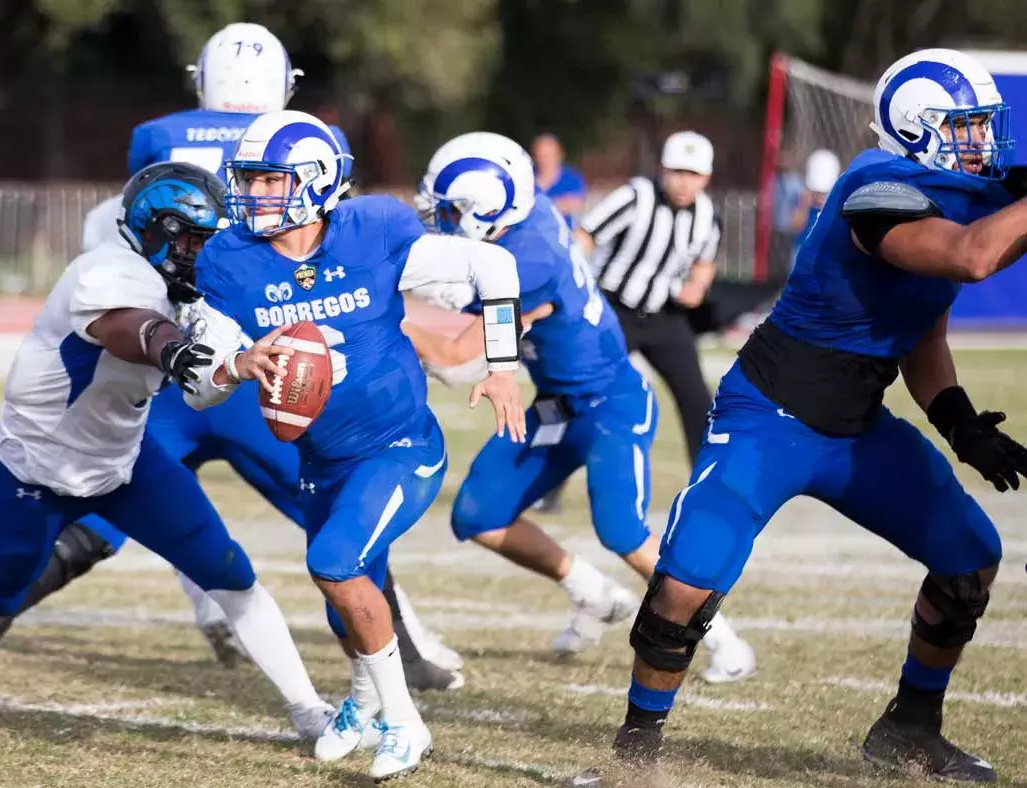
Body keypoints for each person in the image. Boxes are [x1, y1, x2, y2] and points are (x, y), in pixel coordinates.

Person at [0, 22, 465, 693]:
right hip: (260, 370)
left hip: (170, 380)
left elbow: (110, 261)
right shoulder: (305, 157)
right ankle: (397, 658)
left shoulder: (153, 157)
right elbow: (329, 267)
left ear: (201, 80)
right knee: (339, 512)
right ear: (284, 84)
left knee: (92, 515)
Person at [608, 48, 1027, 783]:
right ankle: (634, 751)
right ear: (918, 129)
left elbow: (922, 330)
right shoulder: (875, 187)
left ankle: (909, 729)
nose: (982, 141)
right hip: (771, 414)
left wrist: (958, 421)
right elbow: (971, 258)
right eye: (964, 127)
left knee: (969, 558)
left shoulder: (959, 193)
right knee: (686, 580)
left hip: (856, 425)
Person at [0, 162, 336, 740]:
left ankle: (309, 712)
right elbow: (129, 329)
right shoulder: (106, 270)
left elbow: (204, 388)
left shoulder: (195, 301)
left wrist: (239, 365)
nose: (202, 254)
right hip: (36, 465)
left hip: (124, 462)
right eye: (192, 239)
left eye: (209, 240)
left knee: (230, 574)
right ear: (154, 230)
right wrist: (177, 350)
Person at [196, 109, 526, 780]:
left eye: (269, 181)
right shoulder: (226, 262)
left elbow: (492, 263)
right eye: (249, 181)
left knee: (335, 562)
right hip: (320, 457)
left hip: (401, 445)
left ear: (316, 183)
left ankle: (403, 722)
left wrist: (500, 366)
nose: (252, 195)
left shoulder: (374, 230)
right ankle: (364, 697)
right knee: (344, 590)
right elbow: (201, 387)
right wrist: (237, 365)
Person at [403, 131, 754, 680]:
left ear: (489, 206)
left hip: (609, 402)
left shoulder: (527, 260)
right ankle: (589, 591)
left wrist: (387, 322)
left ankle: (723, 638)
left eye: (450, 211)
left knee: (621, 529)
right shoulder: (529, 217)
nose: (441, 221)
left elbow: (453, 361)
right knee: (478, 515)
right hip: (557, 403)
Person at [575, 131, 721, 466]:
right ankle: (547, 487)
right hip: (613, 311)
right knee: (580, 393)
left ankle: (707, 481)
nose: (685, 183)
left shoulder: (707, 216)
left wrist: (697, 286)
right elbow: (584, 237)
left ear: (707, 178)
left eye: (694, 174)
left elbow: (706, 261)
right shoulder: (634, 197)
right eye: (678, 172)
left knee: (697, 399)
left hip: (664, 317)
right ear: (661, 169)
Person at [530, 132, 588, 224]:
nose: (543, 160)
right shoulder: (529, 179)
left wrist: (537, 208)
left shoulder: (571, 178)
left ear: (559, 154)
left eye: (548, 155)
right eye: (540, 155)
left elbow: (576, 204)